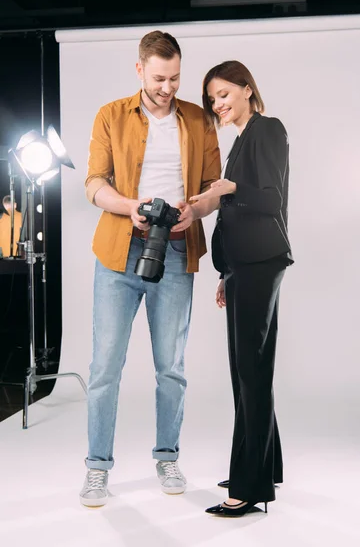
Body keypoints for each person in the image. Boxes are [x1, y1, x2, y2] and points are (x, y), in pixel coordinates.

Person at [80, 31, 221, 507]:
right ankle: (97, 468)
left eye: (175, 77)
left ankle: (167, 456)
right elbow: (93, 183)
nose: (168, 87)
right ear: (139, 69)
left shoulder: (199, 120)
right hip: (118, 253)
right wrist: (130, 205)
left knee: (171, 369)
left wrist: (195, 210)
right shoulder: (110, 115)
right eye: (159, 77)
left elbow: (214, 187)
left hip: (178, 253)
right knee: (104, 368)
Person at [190, 60, 293, 517]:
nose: (218, 104)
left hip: (261, 260)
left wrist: (230, 188)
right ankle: (261, 467)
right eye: (213, 99)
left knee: (249, 370)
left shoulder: (267, 129)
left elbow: (271, 199)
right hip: (243, 266)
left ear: (247, 89)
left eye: (225, 94)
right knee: (247, 369)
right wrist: (223, 272)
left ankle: (250, 488)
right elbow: (233, 211)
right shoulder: (239, 142)